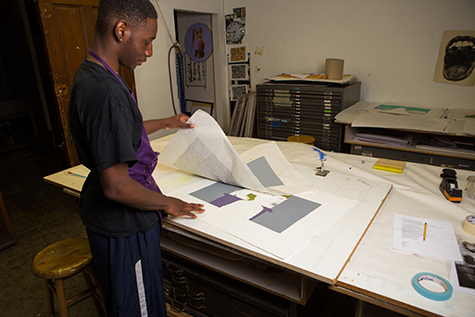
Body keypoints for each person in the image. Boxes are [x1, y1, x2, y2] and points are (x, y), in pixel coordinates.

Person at [68, 0, 205, 315]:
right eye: (148, 41)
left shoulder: (91, 73)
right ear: (121, 30)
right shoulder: (105, 92)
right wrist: (169, 203)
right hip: (124, 228)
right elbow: (116, 186)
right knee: (139, 308)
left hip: (105, 220)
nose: (149, 51)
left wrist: (167, 123)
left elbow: (118, 131)